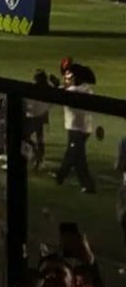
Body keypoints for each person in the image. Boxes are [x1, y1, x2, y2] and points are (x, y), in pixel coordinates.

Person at [55, 63, 96, 192]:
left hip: (77, 129)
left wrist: (57, 86)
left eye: (69, 78)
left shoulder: (74, 92)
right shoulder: (87, 89)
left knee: (75, 158)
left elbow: (65, 93)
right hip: (83, 128)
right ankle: (61, 177)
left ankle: (86, 185)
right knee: (74, 155)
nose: (66, 80)